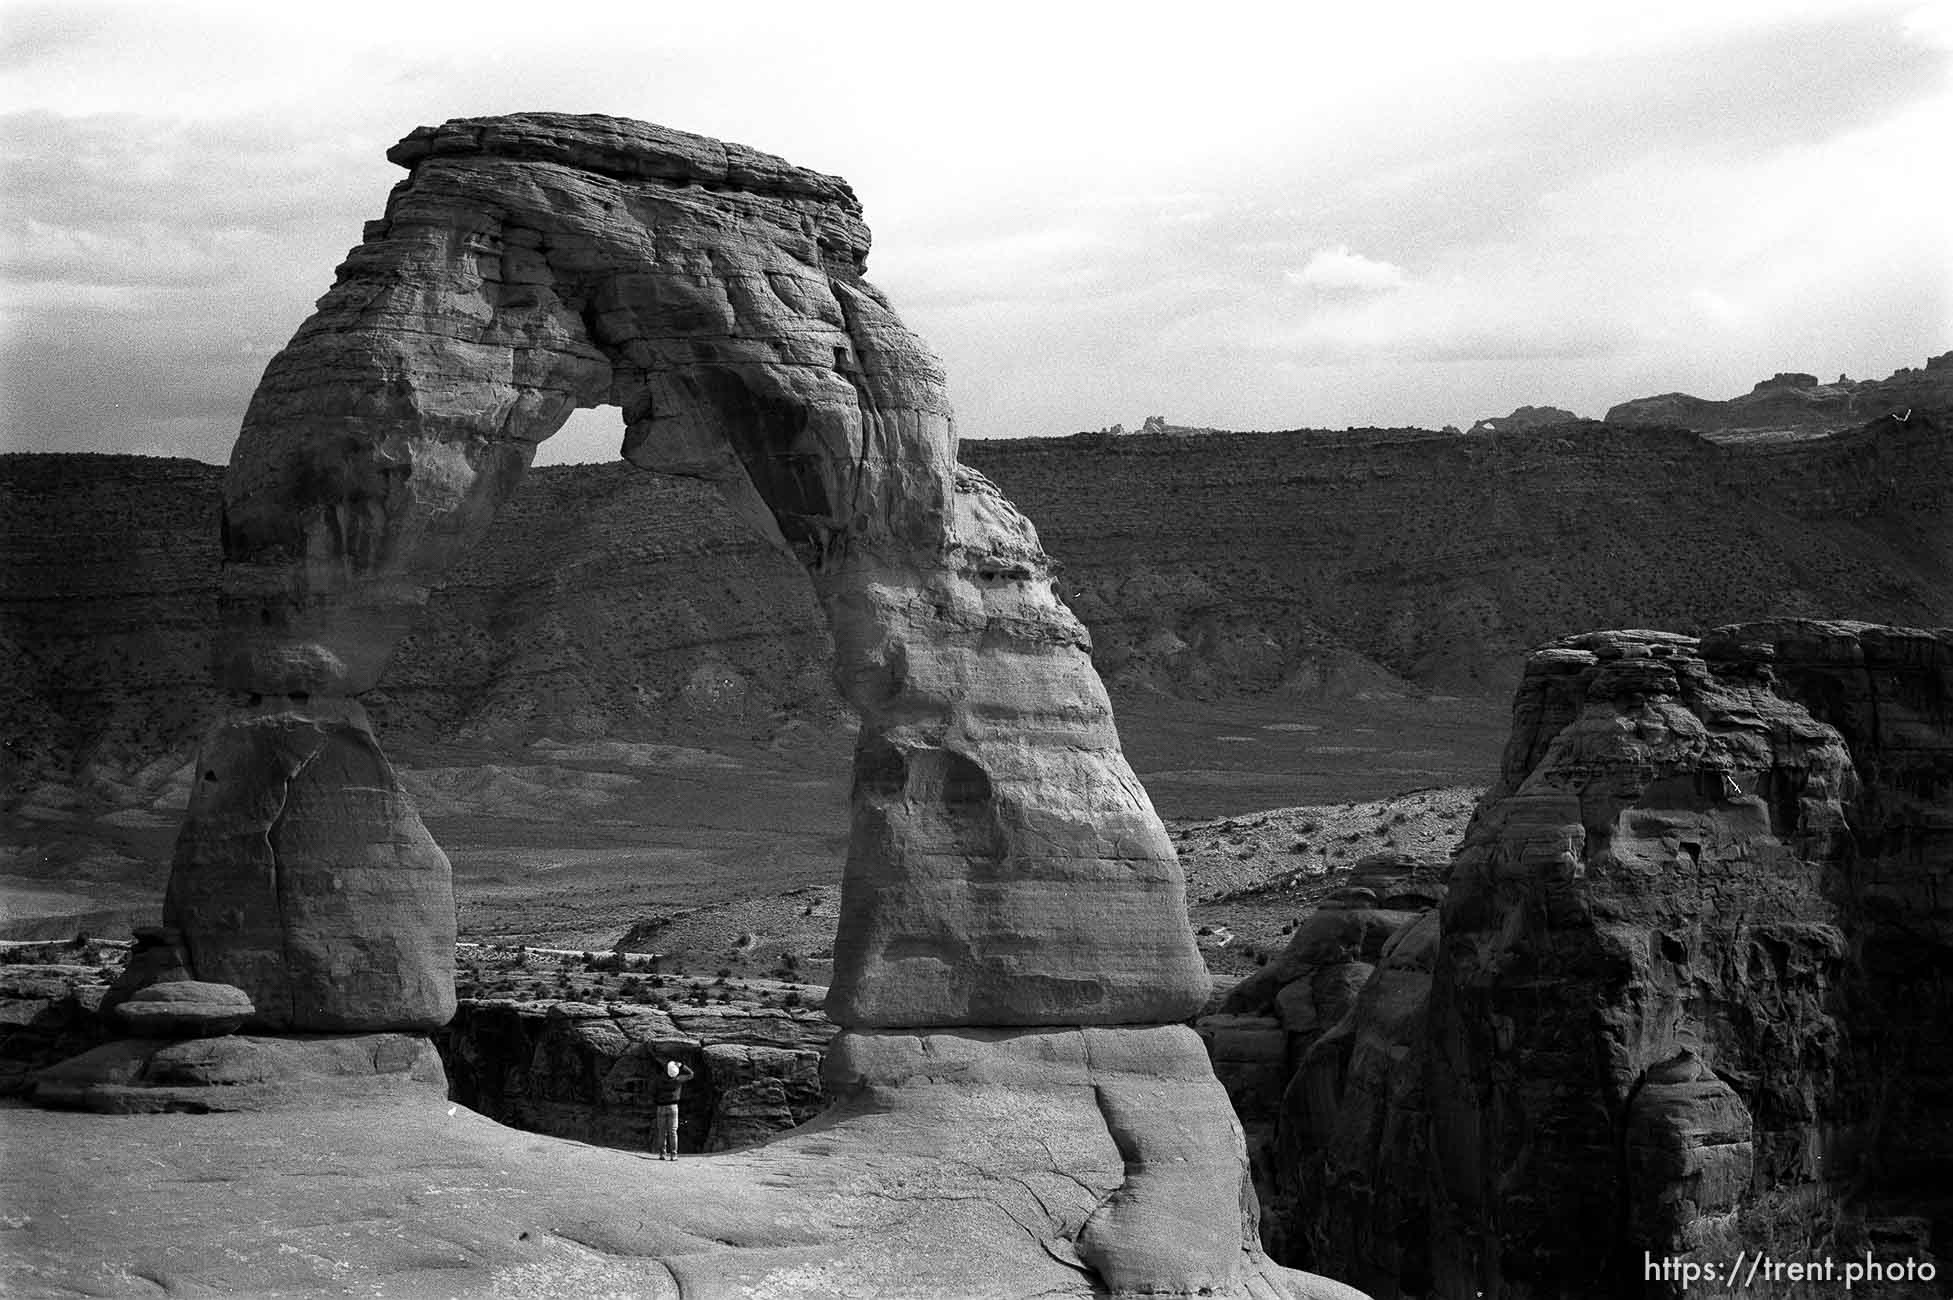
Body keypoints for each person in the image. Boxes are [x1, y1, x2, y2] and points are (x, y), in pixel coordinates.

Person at [651, 1058, 694, 1160]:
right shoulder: (678, 1079)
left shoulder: (659, 1079)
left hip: (661, 1107)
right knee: (673, 1132)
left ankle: (662, 1154)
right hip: (673, 1107)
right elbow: (691, 1074)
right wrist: (682, 1065)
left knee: (662, 1131)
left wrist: (656, 1102)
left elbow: (653, 1092)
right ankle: (673, 1155)